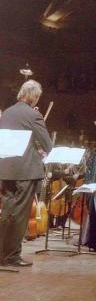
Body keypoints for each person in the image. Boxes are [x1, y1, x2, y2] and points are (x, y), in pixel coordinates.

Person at [0, 80, 52, 266]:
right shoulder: (34, 115)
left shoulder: (6, 112)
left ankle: (2, 254)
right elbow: (47, 145)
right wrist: (38, 148)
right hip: (25, 171)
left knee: (7, 212)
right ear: (34, 96)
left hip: (5, 169)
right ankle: (12, 255)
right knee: (20, 214)